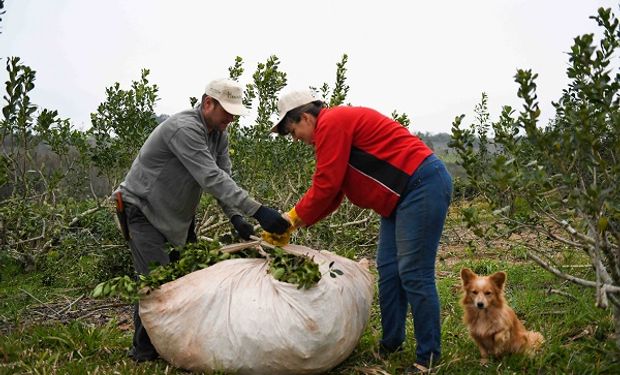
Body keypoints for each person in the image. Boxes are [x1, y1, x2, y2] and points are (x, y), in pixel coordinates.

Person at [269, 90, 452, 373]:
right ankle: (392, 342)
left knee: (414, 273)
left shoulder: (332, 122)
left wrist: (292, 216)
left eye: (294, 130)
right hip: (398, 199)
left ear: (305, 116)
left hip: (421, 186)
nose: (296, 139)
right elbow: (334, 194)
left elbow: (326, 184)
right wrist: (296, 223)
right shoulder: (333, 129)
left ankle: (427, 357)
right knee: (390, 270)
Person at [114, 78, 291, 362]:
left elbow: (224, 177)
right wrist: (258, 211)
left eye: (235, 112)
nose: (231, 118)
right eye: (227, 111)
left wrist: (237, 218)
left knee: (187, 277)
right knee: (155, 281)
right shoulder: (184, 128)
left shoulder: (219, 134)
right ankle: (144, 350)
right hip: (143, 209)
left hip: (177, 214)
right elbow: (210, 177)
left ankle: (177, 338)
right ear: (208, 103)